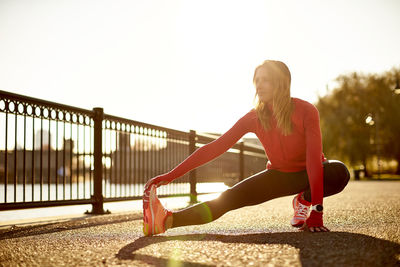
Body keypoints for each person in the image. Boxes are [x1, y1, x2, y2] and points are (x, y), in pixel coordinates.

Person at [142, 60, 350, 236]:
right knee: (227, 199)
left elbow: (313, 160)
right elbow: (214, 148)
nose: (259, 85)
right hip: (278, 176)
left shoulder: (306, 111)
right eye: (256, 80)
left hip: (309, 173)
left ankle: (303, 199)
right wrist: (171, 175)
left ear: (281, 83)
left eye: (265, 80)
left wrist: (317, 210)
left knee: (339, 171)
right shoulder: (254, 117)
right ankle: (166, 220)